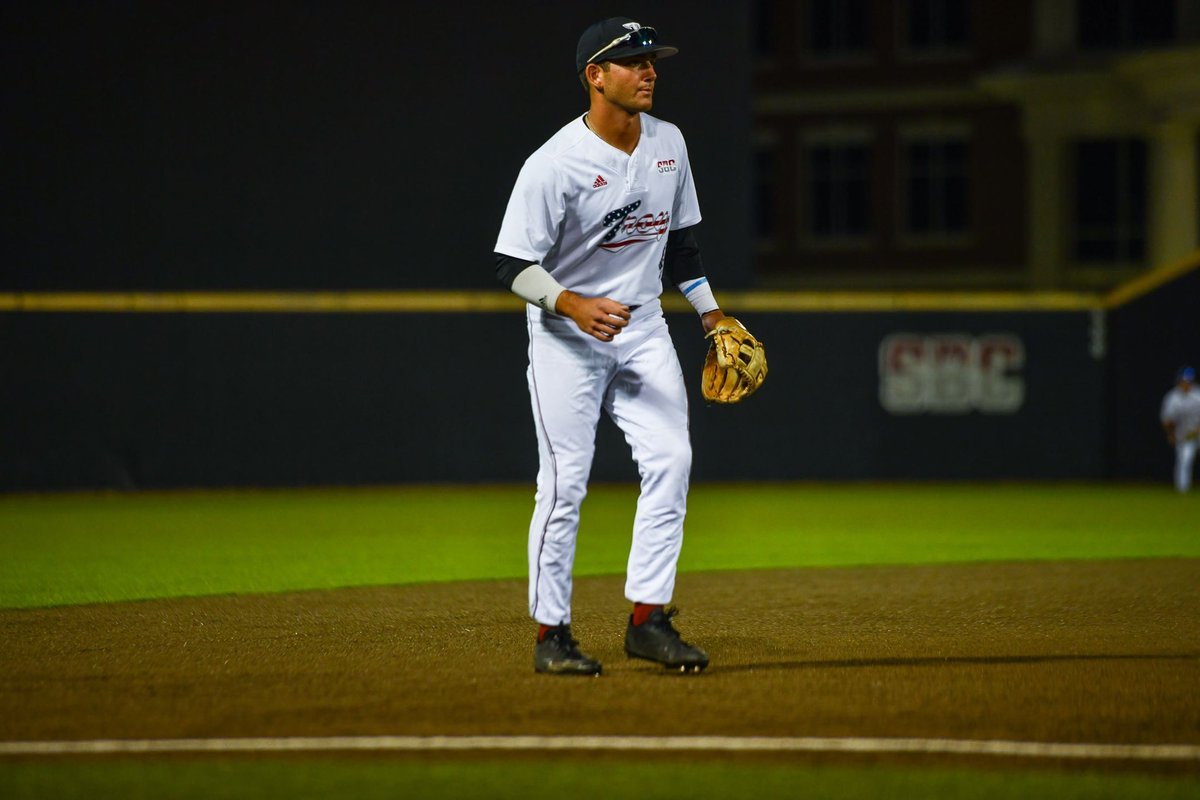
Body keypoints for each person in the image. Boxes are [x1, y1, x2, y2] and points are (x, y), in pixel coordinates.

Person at [494, 17, 723, 675]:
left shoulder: (669, 143)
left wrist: (711, 316)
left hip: (644, 328)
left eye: (652, 60)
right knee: (565, 483)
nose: (649, 70)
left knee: (672, 460)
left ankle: (647, 619)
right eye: (632, 61)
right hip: (568, 336)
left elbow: (682, 249)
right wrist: (570, 302)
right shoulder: (554, 163)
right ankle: (550, 635)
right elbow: (511, 263)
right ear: (594, 75)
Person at [1161, 366, 1200, 493]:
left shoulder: (1198, 395)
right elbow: (1167, 419)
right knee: (1184, 459)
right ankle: (1182, 490)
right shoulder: (1173, 397)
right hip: (1184, 435)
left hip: (1198, 431)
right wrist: (1171, 435)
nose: (1186, 383)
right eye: (1183, 381)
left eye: (1188, 381)